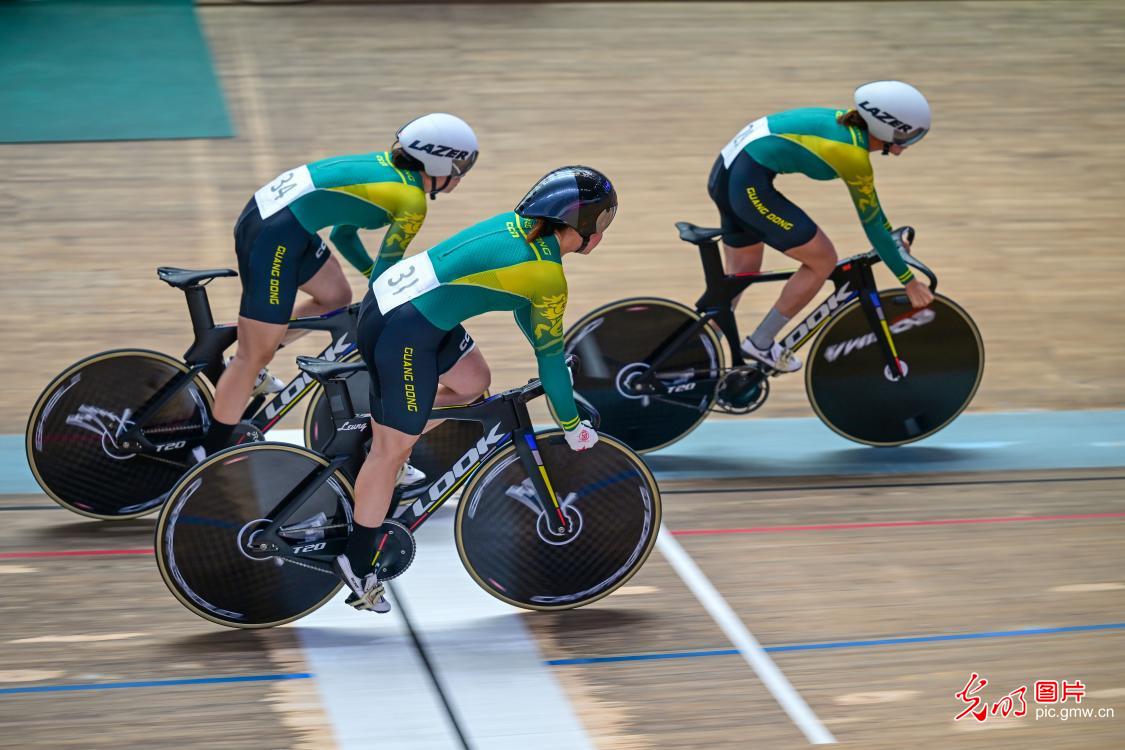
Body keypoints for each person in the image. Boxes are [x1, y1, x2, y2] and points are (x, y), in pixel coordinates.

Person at [334, 166, 616, 611]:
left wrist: (550, 352)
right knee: (393, 450)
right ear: (579, 225)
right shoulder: (548, 277)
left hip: (399, 303)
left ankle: (379, 435)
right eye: (601, 223)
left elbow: (527, 312)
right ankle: (357, 560)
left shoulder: (520, 227)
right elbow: (547, 356)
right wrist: (571, 424)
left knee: (472, 382)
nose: (602, 233)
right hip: (404, 329)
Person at [196, 114, 479, 485]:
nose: (459, 178)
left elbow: (345, 238)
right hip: (275, 234)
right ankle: (207, 459)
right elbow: (388, 269)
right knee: (253, 355)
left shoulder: (389, 171)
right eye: (460, 168)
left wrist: (372, 289)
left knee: (335, 296)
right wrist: (382, 302)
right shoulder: (411, 201)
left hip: (277, 219)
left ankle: (256, 353)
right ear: (440, 163)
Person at [708, 80, 935, 372]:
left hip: (728, 174)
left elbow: (874, 210)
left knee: (741, 273)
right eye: (908, 136)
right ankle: (761, 343)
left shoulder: (845, 124)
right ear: (888, 127)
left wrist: (890, 238)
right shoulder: (852, 156)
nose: (907, 145)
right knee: (823, 260)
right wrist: (908, 280)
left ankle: (699, 346)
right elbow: (871, 225)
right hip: (747, 185)